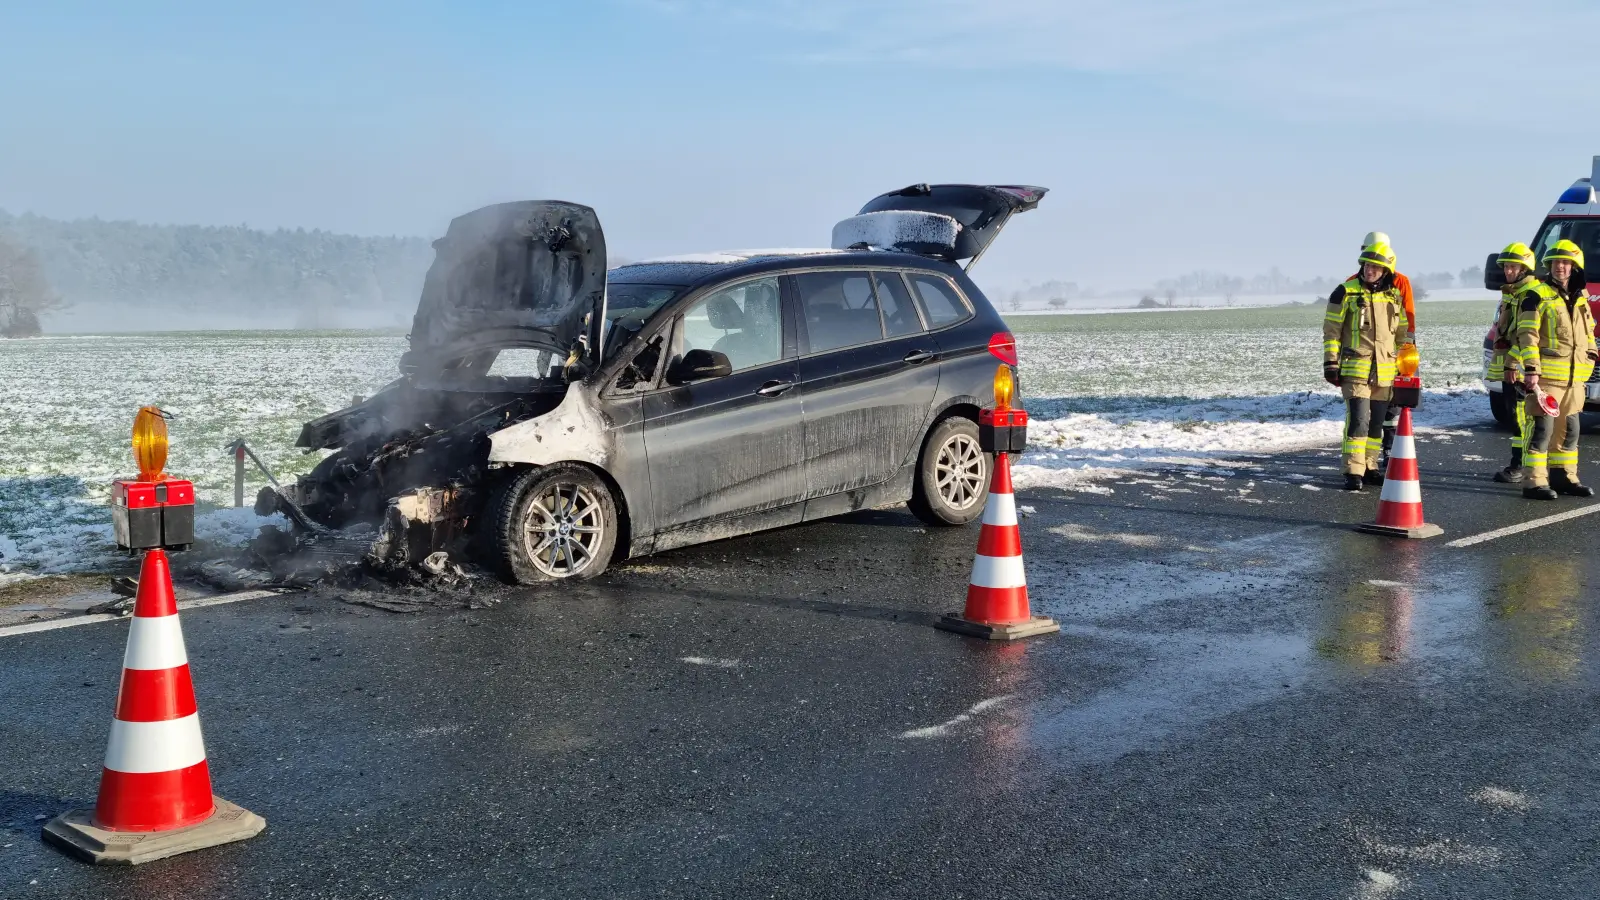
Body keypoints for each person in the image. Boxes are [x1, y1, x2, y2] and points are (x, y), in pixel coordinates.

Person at [1515, 239, 1598, 499]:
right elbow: (1527, 334)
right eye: (1555, 262)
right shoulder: (1536, 295)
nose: (1559, 267)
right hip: (1547, 380)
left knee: (1570, 431)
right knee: (1542, 431)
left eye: (1565, 262)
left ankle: (1564, 478)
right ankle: (1534, 482)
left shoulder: (1581, 298)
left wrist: (1591, 356)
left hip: (1574, 380)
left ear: (1574, 267)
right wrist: (1531, 370)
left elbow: (1589, 332)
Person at [1324, 241, 1406, 490]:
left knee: (1376, 424)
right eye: (1367, 265)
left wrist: (1405, 363)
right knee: (1358, 421)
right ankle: (1353, 471)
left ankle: (1370, 467)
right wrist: (1330, 363)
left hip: (1385, 371)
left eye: (1375, 267)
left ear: (1386, 271)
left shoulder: (1394, 295)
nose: (1370, 270)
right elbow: (1331, 332)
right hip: (1355, 370)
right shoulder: (1345, 292)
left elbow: (1401, 334)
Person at [1354, 232, 1416, 471]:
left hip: (1391, 355)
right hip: (1364, 358)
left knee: (1390, 406)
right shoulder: (1352, 284)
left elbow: (1407, 322)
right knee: (1363, 411)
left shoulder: (1400, 282)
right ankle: (1363, 461)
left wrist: (1406, 354)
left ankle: (1387, 451)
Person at [1489, 242, 1544, 482]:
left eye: (1513, 267)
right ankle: (1521, 463)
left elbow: (1527, 335)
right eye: (1506, 267)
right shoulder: (1513, 293)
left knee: (1523, 419)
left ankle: (1520, 466)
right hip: (1514, 368)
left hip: (1521, 368)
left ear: (1525, 269)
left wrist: (1513, 362)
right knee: (1517, 418)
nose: (1508, 271)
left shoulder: (1529, 295)